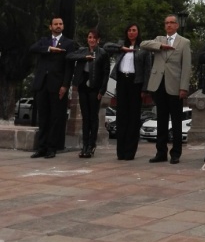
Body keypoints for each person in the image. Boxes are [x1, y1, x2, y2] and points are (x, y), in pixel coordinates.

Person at [141, 15, 192, 165]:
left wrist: (184, 87)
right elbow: (143, 44)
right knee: (161, 120)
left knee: (176, 121)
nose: (169, 25)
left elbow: (186, 67)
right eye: (167, 23)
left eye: (172, 23)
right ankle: (160, 152)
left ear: (177, 25)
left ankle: (175, 153)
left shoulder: (184, 42)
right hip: (158, 85)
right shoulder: (158, 40)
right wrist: (161, 46)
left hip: (175, 86)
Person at [29, 17, 76, 159]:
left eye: (60, 24)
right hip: (42, 84)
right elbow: (32, 48)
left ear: (63, 26)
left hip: (57, 85)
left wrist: (65, 85)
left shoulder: (68, 43)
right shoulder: (44, 41)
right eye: (55, 24)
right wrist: (49, 49)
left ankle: (51, 148)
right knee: (43, 117)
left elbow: (69, 67)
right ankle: (41, 147)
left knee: (56, 118)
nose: (58, 26)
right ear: (51, 27)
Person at [105, 23, 151, 160]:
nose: (131, 32)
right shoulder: (121, 46)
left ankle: (130, 152)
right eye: (129, 30)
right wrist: (121, 48)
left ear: (138, 32)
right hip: (122, 82)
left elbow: (147, 69)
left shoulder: (143, 47)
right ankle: (121, 151)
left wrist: (145, 89)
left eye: (134, 30)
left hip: (135, 83)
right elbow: (106, 46)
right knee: (122, 117)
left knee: (133, 118)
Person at [66, 29, 110, 158]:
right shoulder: (82, 51)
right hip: (83, 85)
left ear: (98, 40)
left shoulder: (102, 53)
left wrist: (102, 90)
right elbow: (69, 56)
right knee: (85, 117)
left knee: (93, 117)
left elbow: (106, 73)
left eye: (94, 38)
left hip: (95, 87)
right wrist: (84, 57)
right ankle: (84, 145)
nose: (91, 40)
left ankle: (91, 145)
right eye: (89, 37)